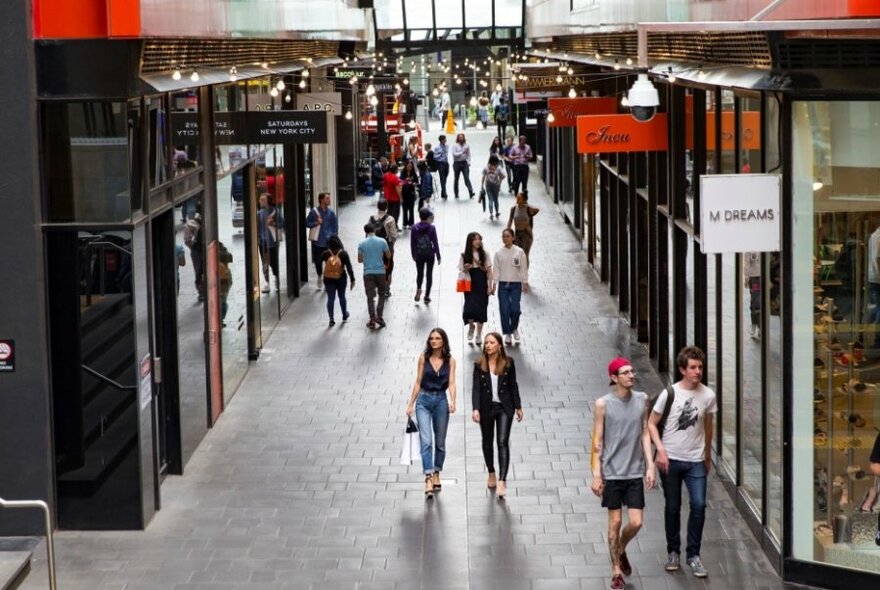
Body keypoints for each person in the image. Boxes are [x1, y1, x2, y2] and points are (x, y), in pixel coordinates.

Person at [647, 346, 717, 579]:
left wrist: (707, 455)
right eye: (693, 368)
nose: (698, 372)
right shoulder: (669, 394)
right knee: (673, 507)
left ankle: (693, 555)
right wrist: (661, 450)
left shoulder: (708, 395)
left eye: (700, 367)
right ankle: (673, 552)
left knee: (698, 505)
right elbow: (651, 423)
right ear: (682, 370)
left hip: (696, 460)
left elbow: (708, 425)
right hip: (671, 460)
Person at [591, 358, 656, 590]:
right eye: (625, 372)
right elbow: (598, 441)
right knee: (615, 521)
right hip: (611, 473)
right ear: (614, 377)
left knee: (636, 522)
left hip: (634, 472)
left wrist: (650, 465)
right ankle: (615, 570)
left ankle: (620, 549)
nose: (631, 375)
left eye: (632, 371)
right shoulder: (603, 404)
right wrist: (597, 474)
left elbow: (644, 432)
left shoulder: (642, 400)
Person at [406, 328, 458, 499]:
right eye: (431, 339)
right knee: (426, 440)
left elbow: (451, 383)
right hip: (424, 400)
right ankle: (428, 476)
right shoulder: (423, 358)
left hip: (441, 401)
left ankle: (437, 471)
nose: (433, 341)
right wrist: (411, 404)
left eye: (437, 338)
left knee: (440, 442)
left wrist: (453, 401)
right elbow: (418, 382)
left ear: (443, 341)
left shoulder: (450, 361)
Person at [472, 332, 523, 500]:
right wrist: (475, 408)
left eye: (491, 342)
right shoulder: (479, 365)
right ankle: (491, 472)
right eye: (486, 343)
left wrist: (518, 406)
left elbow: (513, 385)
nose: (487, 345)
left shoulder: (508, 363)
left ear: (499, 345)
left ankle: (502, 480)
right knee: (487, 441)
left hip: (503, 407)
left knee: (502, 442)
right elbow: (476, 389)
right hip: (486, 408)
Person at [493, 229, 529, 345]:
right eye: (503, 236)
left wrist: (525, 282)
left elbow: (523, 268)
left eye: (508, 236)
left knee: (515, 309)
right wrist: (494, 284)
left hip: (515, 284)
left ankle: (514, 328)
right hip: (503, 285)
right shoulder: (498, 253)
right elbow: (496, 269)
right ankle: (507, 333)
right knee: (504, 309)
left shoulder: (520, 252)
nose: (505, 239)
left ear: (513, 238)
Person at [460, 232, 493, 344]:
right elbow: (461, 271)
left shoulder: (485, 254)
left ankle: (479, 333)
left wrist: (490, 286)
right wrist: (465, 268)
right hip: (469, 283)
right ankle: (471, 327)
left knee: (481, 308)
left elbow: (489, 271)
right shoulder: (464, 255)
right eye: (475, 239)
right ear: (470, 241)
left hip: (482, 282)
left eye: (479, 239)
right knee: (469, 308)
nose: (478, 241)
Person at [357, 223, 391, 329]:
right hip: (380, 272)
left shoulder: (361, 243)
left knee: (370, 297)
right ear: (374, 230)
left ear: (365, 232)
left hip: (368, 273)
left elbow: (359, 260)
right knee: (382, 294)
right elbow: (388, 255)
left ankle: (372, 319)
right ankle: (379, 316)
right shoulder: (382, 241)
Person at [305, 192, 338, 290]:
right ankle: (319, 275)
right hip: (317, 242)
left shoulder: (331, 213)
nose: (329, 200)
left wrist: (332, 236)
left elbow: (335, 227)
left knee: (329, 262)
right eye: (327, 198)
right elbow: (307, 223)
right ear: (322, 200)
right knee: (318, 262)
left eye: (329, 198)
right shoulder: (314, 212)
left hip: (328, 242)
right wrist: (316, 222)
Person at [321, 235, 355, 327]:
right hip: (341, 278)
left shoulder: (326, 253)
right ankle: (344, 314)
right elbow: (349, 267)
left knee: (330, 298)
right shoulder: (343, 253)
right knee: (342, 296)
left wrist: (320, 273)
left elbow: (318, 261)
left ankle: (331, 319)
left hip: (328, 279)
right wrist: (352, 279)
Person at [411, 208, 441, 305]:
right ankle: (427, 295)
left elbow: (413, 243)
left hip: (419, 255)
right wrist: (438, 255)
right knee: (429, 274)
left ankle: (419, 288)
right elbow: (435, 242)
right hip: (429, 255)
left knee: (419, 274)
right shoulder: (431, 228)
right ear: (428, 217)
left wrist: (413, 254)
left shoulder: (414, 227)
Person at [370, 201, 398, 297]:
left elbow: (368, 233)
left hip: (374, 247)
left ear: (377, 207)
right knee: (387, 267)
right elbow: (393, 235)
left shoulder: (372, 218)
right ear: (386, 207)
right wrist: (391, 245)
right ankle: (386, 289)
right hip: (387, 247)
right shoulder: (390, 219)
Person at [256, 194, 281, 294]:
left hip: (273, 241)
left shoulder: (275, 212)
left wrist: (273, 223)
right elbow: (257, 227)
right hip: (263, 242)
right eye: (260, 199)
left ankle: (276, 277)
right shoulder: (259, 213)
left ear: (267, 201)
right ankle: (267, 282)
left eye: (262, 200)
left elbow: (282, 223)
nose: (260, 201)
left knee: (274, 262)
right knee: (264, 263)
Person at [507, 193, 540, 263]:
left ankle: (524, 272)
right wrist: (507, 229)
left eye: (519, 198)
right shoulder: (513, 209)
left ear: (523, 200)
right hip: (517, 234)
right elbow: (510, 220)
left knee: (525, 254)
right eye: (517, 198)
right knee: (516, 254)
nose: (517, 199)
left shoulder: (527, 208)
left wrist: (531, 215)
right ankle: (516, 270)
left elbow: (537, 210)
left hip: (527, 234)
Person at [183, 209, 204, 301]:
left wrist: (194, 248)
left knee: (198, 271)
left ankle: (201, 292)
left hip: (197, 252)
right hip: (202, 250)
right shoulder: (209, 219)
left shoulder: (191, 223)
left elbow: (187, 240)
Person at [482, 155, 506, 221]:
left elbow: (483, 176)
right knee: (495, 199)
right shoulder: (498, 167)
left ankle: (491, 214)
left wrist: (482, 185)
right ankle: (497, 212)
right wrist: (499, 181)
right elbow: (503, 175)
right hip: (496, 186)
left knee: (490, 199)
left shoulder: (486, 167)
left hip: (488, 186)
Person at [452, 133, 475, 199]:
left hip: (464, 163)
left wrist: (469, 161)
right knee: (456, 179)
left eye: (462, 137)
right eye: (459, 137)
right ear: (458, 138)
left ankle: (471, 192)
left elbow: (468, 154)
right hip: (457, 163)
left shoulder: (466, 145)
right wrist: (462, 152)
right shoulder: (455, 145)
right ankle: (456, 193)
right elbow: (454, 154)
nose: (461, 138)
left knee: (467, 178)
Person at [868, 221, 880, 347]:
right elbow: (878, 259)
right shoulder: (879, 236)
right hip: (878, 278)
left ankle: (860, 326)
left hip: (874, 277)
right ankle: (878, 340)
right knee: (879, 309)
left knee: (877, 307)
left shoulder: (874, 235)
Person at [743, 252, 761, 338]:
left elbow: (747, 263)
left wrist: (746, 279)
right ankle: (757, 326)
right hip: (757, 277)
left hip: (758, 277)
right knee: (757, 302)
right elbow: (747, 263)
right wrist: (747, 278)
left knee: (756, 302)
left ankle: (756, 326)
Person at [400, 159, 419, 229]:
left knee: (411, 209)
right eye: (408, 166)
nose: (410, 167)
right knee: (404, 209)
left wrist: (413, 183)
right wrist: (405, 182)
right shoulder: (403, 173)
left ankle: (411, 223)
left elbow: (417, 182)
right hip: (404, 193)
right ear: (406, 166)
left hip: (411, 193)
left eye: (411, 166)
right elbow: (400, 181)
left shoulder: (414, 173)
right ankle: (405, 223)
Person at [433, 135, 451, 200]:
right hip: (440, 164)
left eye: (445, 139)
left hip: (446, 163)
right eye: (444, 140)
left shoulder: (447, 146)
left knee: (445, 178)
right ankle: (445, 193)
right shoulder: (437, 148)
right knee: (442, 178)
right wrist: (440, 154)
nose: (445, 141)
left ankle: (443, 192)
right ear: (441, 140)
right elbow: (434, 157)